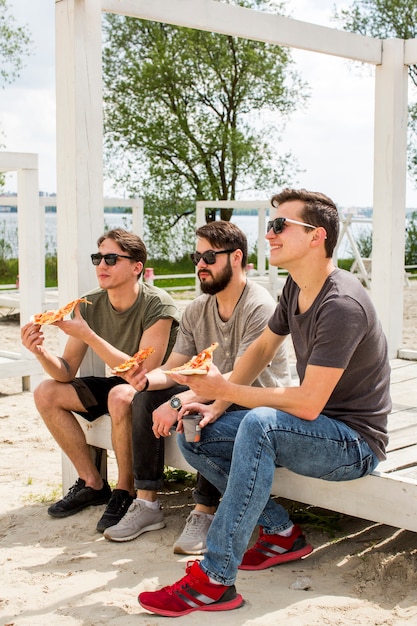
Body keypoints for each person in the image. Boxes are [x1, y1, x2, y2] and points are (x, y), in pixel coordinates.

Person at [137, 188, 392, 617]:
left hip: (354, 443)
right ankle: (281, 533)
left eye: (279, 225)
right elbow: (261, 350)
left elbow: (309, 404)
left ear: (318, 236)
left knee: (261, 423)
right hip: (317, 428)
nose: (269, 234)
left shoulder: (341, 303)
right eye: (269, 225)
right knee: (198, 432)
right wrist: (215, 403)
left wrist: (227, 391)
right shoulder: (296, 287)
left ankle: (215, 579)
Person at [103, 220, 292, 547]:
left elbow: (240, 376)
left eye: (209, 257)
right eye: (196, 257)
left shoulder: (259, 306)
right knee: (145, 398)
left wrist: (178, 402)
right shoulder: (196, 309)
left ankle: (204, 511)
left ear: (236, 258)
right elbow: (176, 368)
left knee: (196, 410)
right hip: (215, 391)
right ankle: (146, 502)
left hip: (254, 398)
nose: (200, 265)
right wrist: (144, 380)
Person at [21, 228, 180, 533]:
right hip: (121, 384)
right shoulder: (89, 304)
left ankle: (125, 491)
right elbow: (66, 370)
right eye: (98, 258)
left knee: (120, 396)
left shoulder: (158, 304)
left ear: (137, 267)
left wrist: (88, 335)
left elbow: (142, 375)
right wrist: (40, 352)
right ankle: (93, 483)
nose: (101, 265)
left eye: (111, 258)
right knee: (46, 392)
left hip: (157, 387)